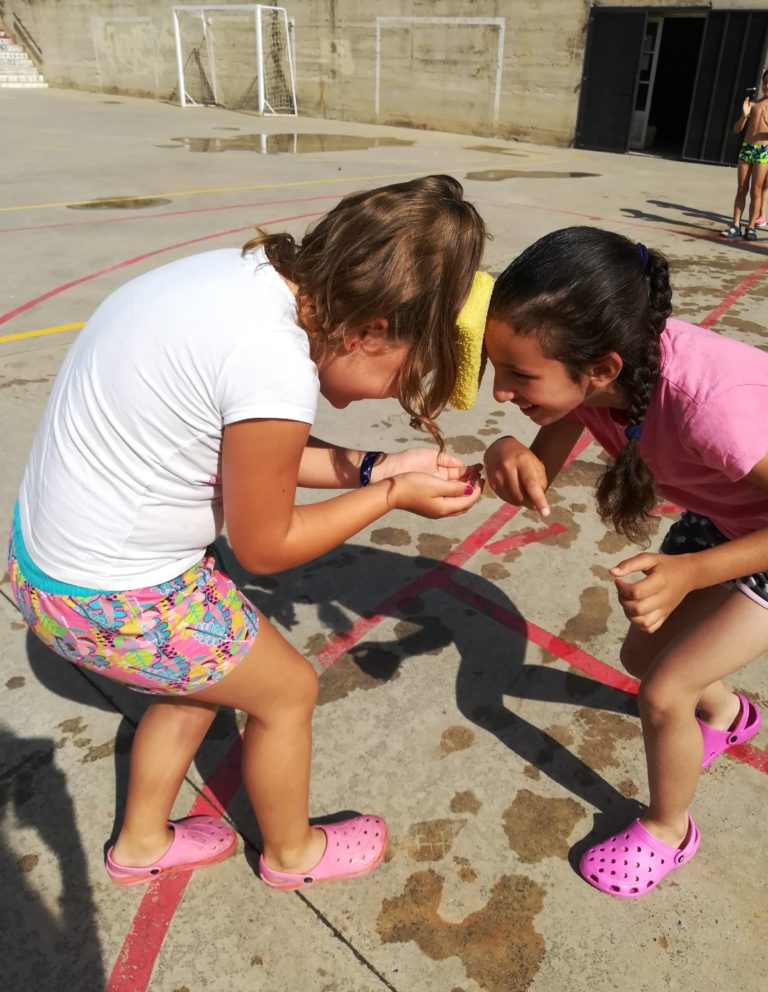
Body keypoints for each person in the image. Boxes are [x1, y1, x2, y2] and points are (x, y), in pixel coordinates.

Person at [8, 175, 487, 891]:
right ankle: (293, 855)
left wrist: (379, 465)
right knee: (286, 690)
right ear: (368, 332)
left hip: (44, 566)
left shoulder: (246, 277)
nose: (394, 391)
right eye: (404, 372)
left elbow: (257, 451)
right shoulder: (274, 361)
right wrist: (390, 495)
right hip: (112, 596)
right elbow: (267, 546)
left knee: (202, 672)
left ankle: (141, 842)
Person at [483, 225, 766, 898]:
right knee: (644, 656)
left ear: (602, 367)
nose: (500, 392)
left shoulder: (713, 408)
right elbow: (549, 451)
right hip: (730, 519)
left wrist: (693, 571)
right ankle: (730, 716)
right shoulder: (600, 381)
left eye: (520, 376)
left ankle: (670, 830)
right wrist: (510, 455)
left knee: (664, 692)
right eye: (499, 368)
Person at [721, 68, 768, 241]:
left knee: (756, 190)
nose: (766, 86)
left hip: (763, 151)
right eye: (765, 82)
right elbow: (736, 129)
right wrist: (744, 115)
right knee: (741, 188)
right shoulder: (753, 104)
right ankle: (735, 225)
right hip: (747, 149)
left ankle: (751, 227)